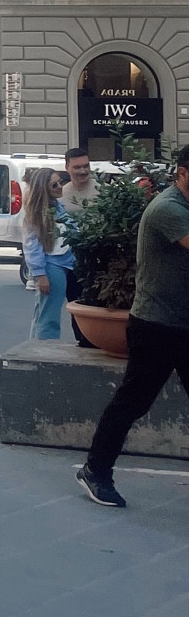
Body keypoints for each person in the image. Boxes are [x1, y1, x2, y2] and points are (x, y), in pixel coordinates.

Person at [78, 145, 189, 509]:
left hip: (183, 325)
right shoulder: (168, 209)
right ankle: (95, 470)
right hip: (156, 326)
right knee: (133, 403)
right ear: (183, 174)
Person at [20, 168, 73, 341]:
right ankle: (45, 353)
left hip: (59, 265)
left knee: (43, 313)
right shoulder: (36, 214)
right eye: (54, 184)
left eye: (61, 182)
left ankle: (37, 350)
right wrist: (40, 275)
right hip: (52, 267)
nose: (60, 187)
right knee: (48, 316)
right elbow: (31, 247)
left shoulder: (56, 207)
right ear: (43, 188)